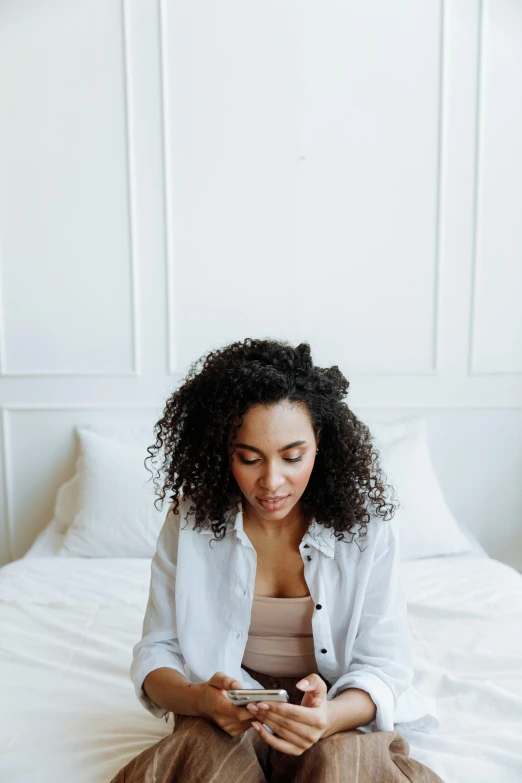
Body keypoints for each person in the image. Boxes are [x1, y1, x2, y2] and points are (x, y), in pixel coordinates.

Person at [111, 338, 444, 782]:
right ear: (223, 450)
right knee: (205, 756)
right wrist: (201, 699)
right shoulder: (190, 522)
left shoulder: (367, 529)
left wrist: (328, 717)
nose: (272, 482)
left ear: (319, 442)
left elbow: (384, 665)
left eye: (293, 457)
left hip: (335, 708)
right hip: (228, 707)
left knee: (341, 761)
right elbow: (157, 651)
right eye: (249, 458)